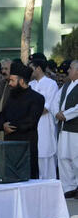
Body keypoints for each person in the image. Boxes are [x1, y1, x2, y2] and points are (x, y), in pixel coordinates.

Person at [0, 62, 45, 179]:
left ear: (22, 81)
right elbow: (2, 115)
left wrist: (10, 127)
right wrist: (3, 125)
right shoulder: (12, 96)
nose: (10, 84)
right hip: (10, 145)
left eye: (12, 81)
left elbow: (30, 121)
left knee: (28, 178)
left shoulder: (37, 98)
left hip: (26, 146)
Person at [29, 58, 59, 179]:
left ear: (38, 68)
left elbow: (47, 108)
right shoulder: (30, 84)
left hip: (44, 125)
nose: (29, 71)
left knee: (45, 155)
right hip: (31, 126)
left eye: (31, 68)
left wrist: (29, 112)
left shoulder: (51, 84)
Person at [53, 60, 78, 198]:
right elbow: (56, 101)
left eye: (70, 68)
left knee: (76, 158)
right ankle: (68, 187)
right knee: (63, 157)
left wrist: (65, 115)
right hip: (63, 128)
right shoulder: (66, 85)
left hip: (75, 128)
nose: (68, 71)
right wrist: (57, 113)